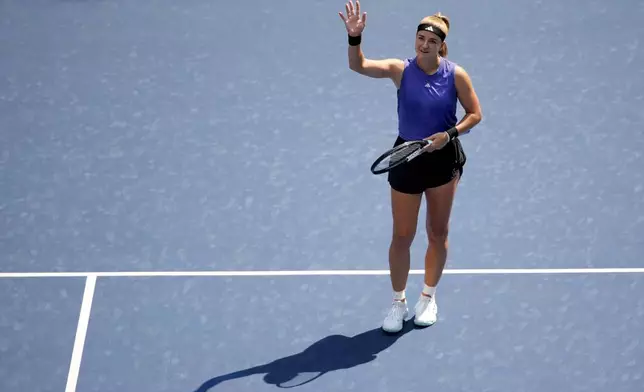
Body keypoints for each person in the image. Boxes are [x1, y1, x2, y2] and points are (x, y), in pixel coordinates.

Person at [338, 1, 483, 333]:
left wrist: (449, 135)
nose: (424, 44)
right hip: (407, 157)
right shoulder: (400, 70)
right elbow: (357, 65)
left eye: (431, 41)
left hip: (443, 158)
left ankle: (428, 296)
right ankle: (398, 302)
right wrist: (354, 38)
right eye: (420, 38)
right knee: (402, 235)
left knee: (438, 232)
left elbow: (475, 114)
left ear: (441, 45)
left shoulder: (456, 74)